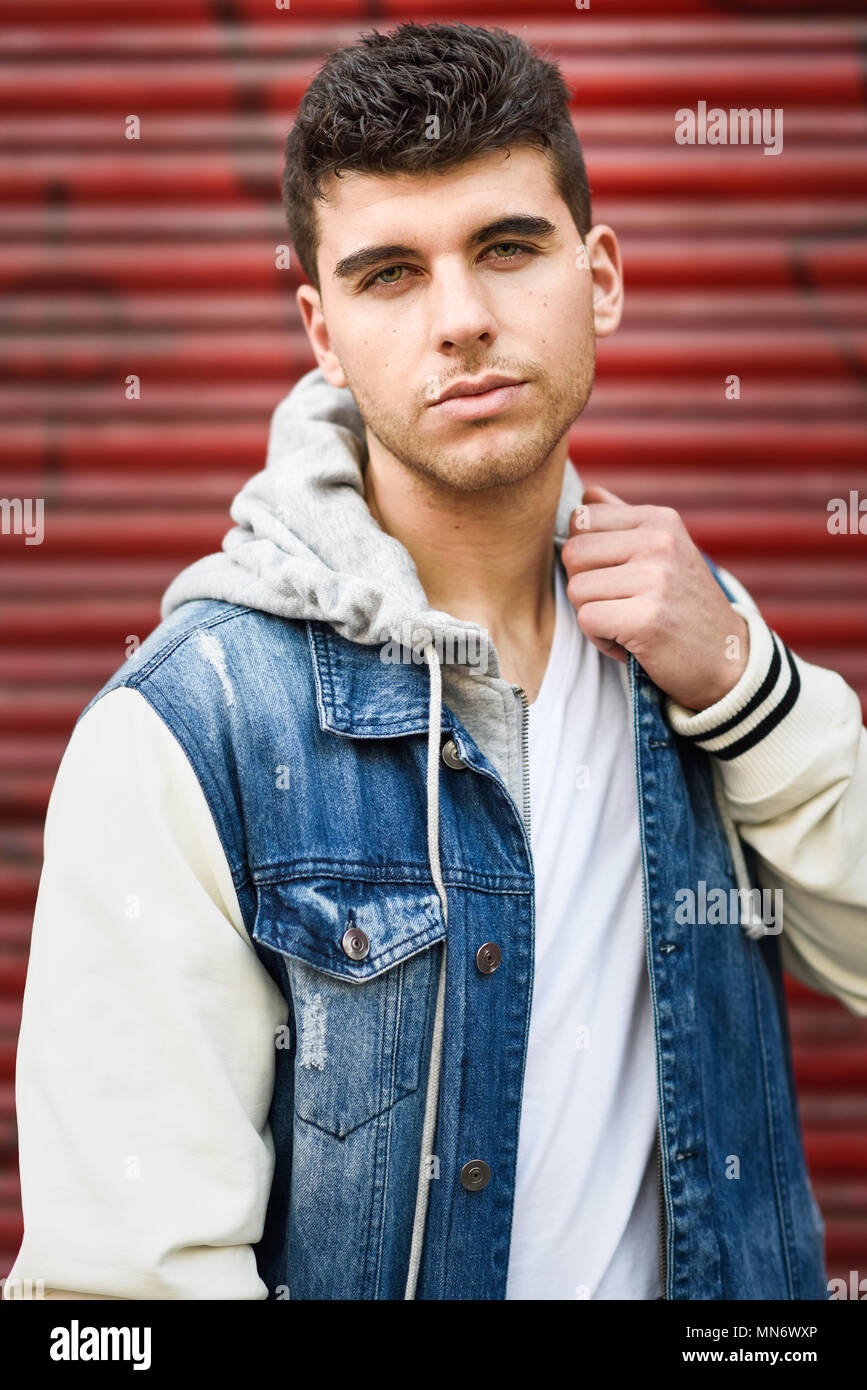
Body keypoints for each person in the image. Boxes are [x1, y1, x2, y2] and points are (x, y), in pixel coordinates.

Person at [5, 20, 866, 1302]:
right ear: (321, 328)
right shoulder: (191, 730)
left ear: (604, 275)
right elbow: (122, 1297)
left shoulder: (697, 646)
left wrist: (750, 688)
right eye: (391, 274)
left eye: (508, 249)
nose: (461, 320)